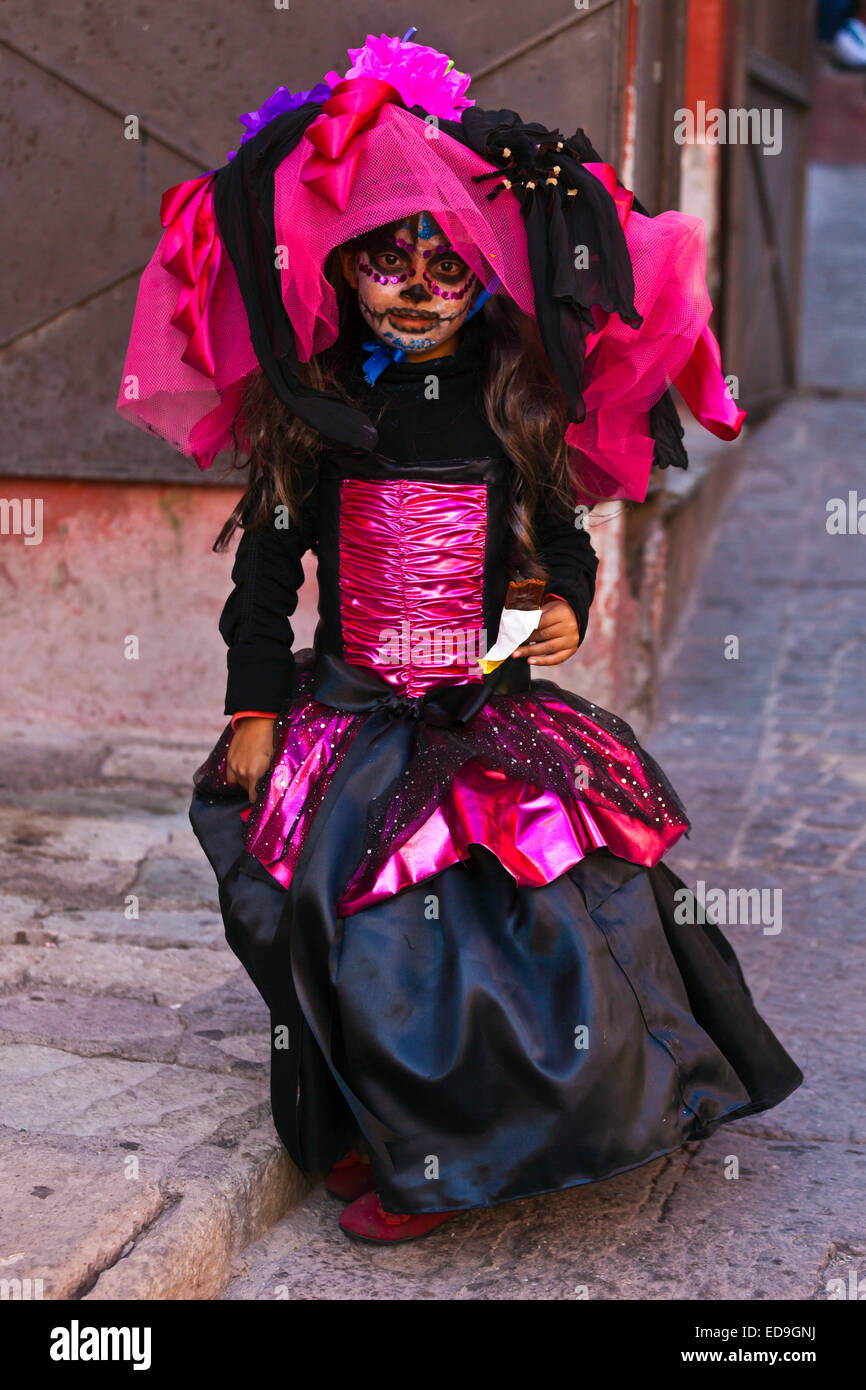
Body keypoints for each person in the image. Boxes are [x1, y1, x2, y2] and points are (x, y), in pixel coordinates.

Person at [117, 32, 802, 1244]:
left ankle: (467, 1150)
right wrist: (255, 709)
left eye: (445, 264)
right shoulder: (314, 421)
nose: (417, 285)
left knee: (538, 916)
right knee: (351, 922)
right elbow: (265, 585)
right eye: (388, 258)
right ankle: (379, 1128)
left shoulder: (514, 411)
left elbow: (568, 546)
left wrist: (563, 607)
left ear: (484, 275)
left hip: (483, 704)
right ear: (343, 268)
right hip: (352, 710)